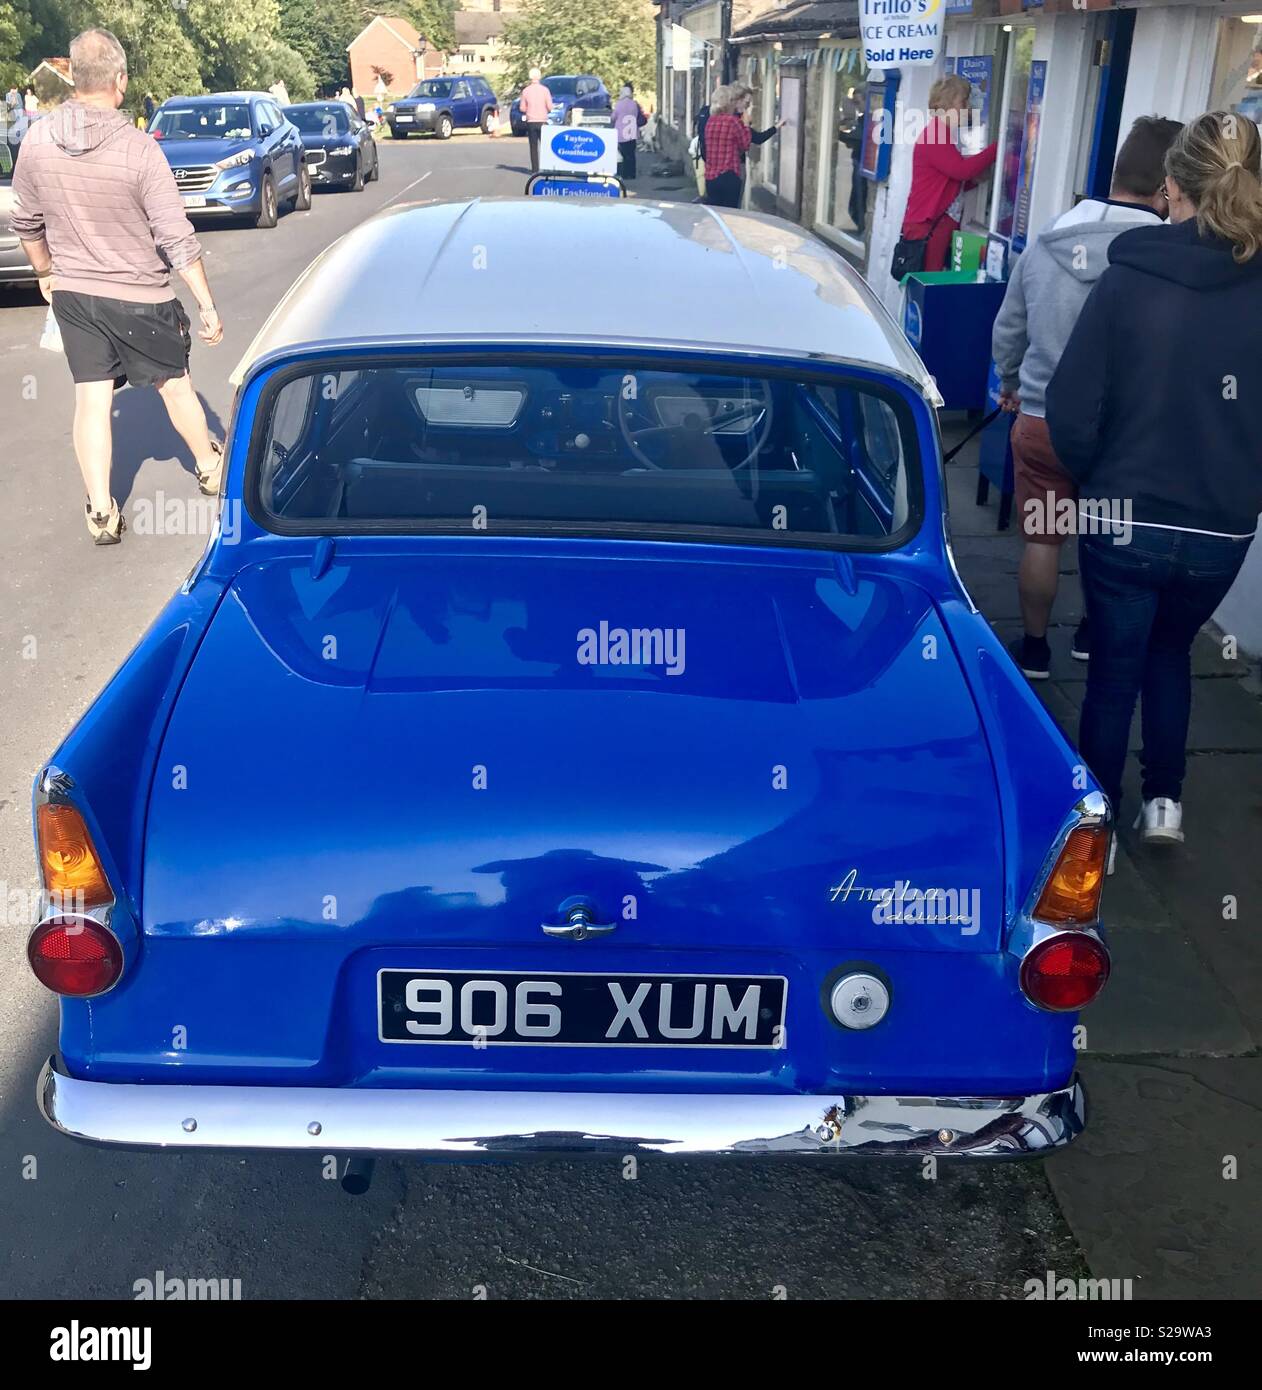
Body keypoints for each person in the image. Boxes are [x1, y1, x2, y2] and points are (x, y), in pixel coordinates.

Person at [1046, 111, 1262, 849]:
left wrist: (1095, 477)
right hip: (1220, 525)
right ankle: (1164, 802)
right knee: (1172, 652)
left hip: (1123, 515)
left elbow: (1072, 408)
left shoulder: (1126, 281)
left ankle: (1095, 825)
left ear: (1172, 187)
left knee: (1113, 665)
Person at [10, 28, 225, 546]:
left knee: (91, 400)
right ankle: (208, 467)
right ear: (120, 81)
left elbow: (26, 221)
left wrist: (45, 273)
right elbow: (176, 237)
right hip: (140, 295)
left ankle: (102, 512)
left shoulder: (37, 139)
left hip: (75, 296)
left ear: (74, 78)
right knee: (174, 384)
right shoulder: (138, 150)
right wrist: (206, 304)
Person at [992, 116, 1183, 681]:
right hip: (1120, 433)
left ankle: (1033, 650)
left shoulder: (1052, 233)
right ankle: (1092, 636)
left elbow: (1010, 327)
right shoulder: (1165, 253)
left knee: (1043, 538)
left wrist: (1008, 382)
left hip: (1044, 419)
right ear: (1168, 185)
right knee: (1108, 540)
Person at [900, 75, 997, 272]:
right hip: (928, 226)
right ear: (947, 104)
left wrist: (974, 181)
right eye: (963, 101)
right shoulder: (935, 135)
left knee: (930, 282)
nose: (968, 108)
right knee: (929, 282)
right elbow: (961, 171)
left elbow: (947, 177)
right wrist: (999, 147)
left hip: (933, 224)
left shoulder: (941, 133)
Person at [728, 84, 782, 204]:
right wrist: (746, 125)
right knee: (733, 204)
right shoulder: (737, 121)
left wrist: (776, 127)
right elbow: (750, 141)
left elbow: (757, 138)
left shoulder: (727, 117)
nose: (748, 106)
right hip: (734, 167)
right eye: (746, 102)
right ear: (737, 100)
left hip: (718, 170)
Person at [519, 67, 553, 174]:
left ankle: (535, 170)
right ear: (539, 77)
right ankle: (547, 168)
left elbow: (522, 108)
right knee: (545, 146)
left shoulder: (526, 91)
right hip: (543, 120)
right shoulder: (545, 90)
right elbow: (550, 107)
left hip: (531, 121)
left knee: (533, 147)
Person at [612, 83, 644, 182]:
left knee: (623, 154)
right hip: (632, 132)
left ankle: (625, 173)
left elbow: (614, 117)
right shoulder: (634, 104)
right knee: (631, 154)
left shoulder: (619, 104)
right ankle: (632, 173)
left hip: (622, 133)